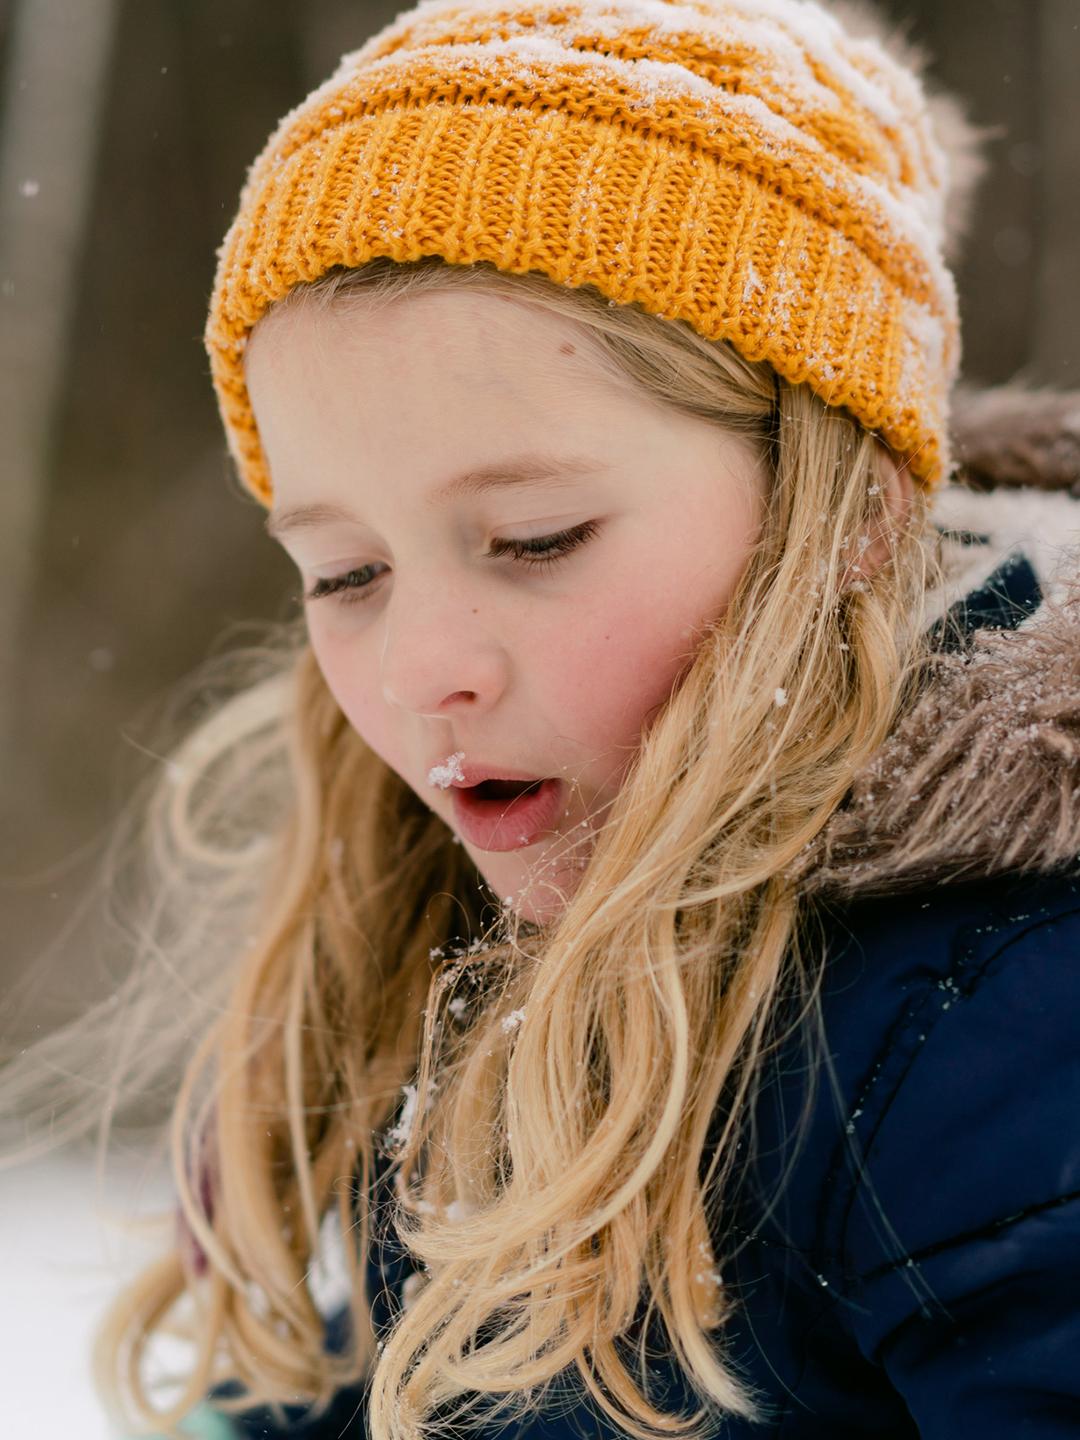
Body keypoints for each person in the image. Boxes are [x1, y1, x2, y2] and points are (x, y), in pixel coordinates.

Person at [5, 1, 1080, 1437]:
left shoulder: (1003, 1031)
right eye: (345, 572)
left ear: (852, 513)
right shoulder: (510, 937)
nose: (419, 666)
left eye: (534, 538)